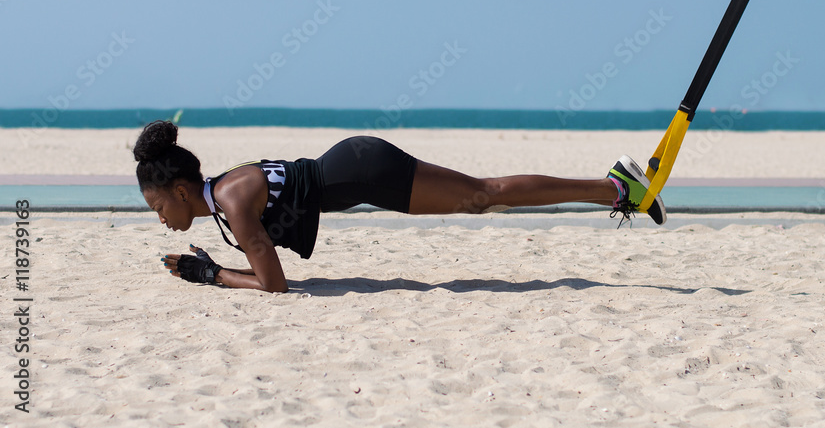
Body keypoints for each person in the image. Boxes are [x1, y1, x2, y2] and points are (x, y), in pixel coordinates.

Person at [136, 120, 666, 293]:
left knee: (485, 195)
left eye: (158, 205)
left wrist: (212, 274)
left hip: (366, 170)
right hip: (358, 165)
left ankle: (613, 186)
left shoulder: (231, 200)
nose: (160, 218)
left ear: (180, 191)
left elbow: (274, 286)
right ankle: (613, 188)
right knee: (484, 196)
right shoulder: (227, 194)